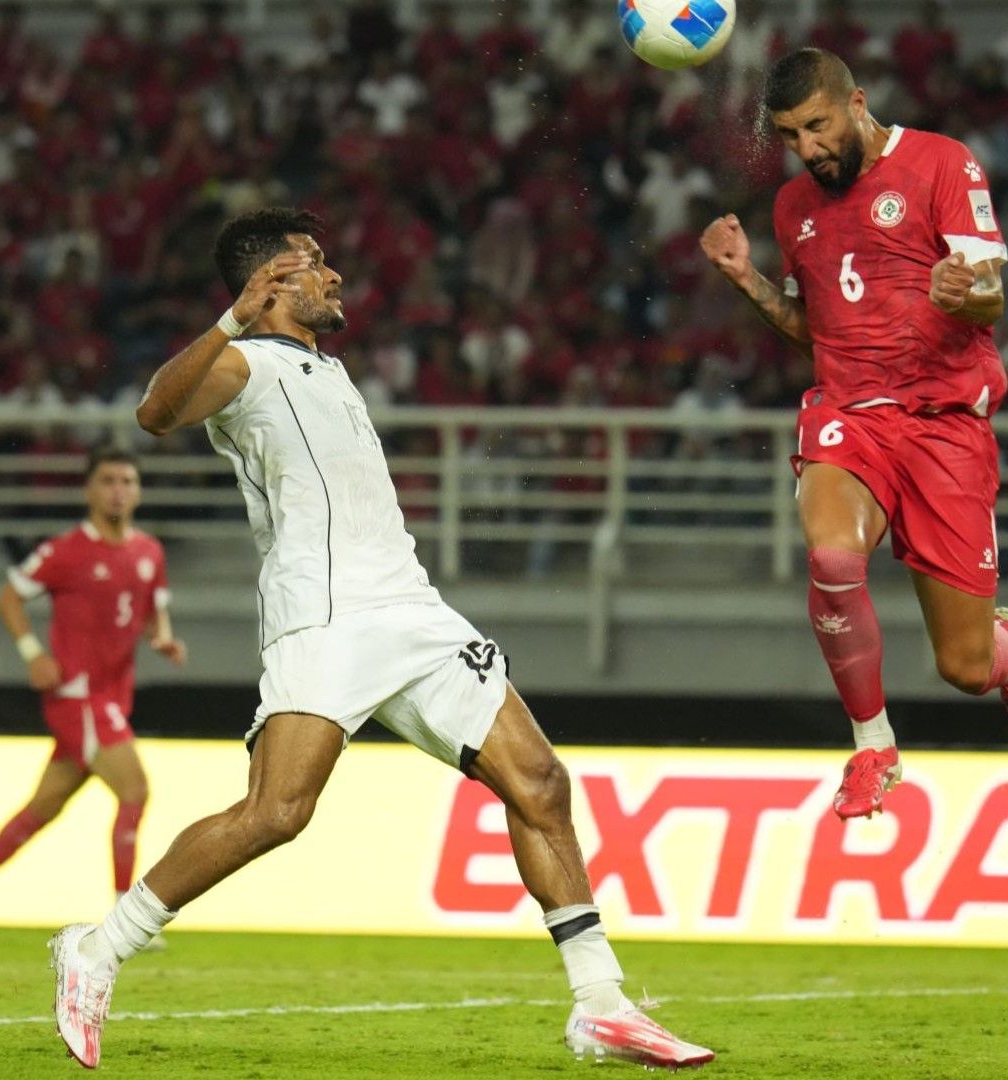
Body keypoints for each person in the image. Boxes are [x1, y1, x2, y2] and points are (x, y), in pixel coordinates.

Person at [46, 207, 714, 1071]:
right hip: (323, 614)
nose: (333, 275)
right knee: (276, 812)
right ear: (273, 282)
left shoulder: (329, 369)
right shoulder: (243, 363)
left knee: (541, 780)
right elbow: (153, 414)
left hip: (412, 609)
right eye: (313, 263)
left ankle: (600, 1002)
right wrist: (228, 320)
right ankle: (98, 948)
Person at [700, 49, 1008, 820]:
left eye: (819, 126)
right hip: (851, 415)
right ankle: (873, 744)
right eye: (793, 136)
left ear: (856, 102)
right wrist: (747, 279)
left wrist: (967, 292)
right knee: (830, 551)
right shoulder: (793, 207)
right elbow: (816, 334)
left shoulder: (941, 164)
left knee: (964, 666)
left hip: (944, 425)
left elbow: (989, 295)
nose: (811, 148)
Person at [0, 448, 186, 946]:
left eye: (128, 481)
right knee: (135, 790)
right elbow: (9, 597)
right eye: (109, 480)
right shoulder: (65, 551)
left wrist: (162, 638)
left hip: (113, 697)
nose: (119, 490)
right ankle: (126, 914)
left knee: (44, 806)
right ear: (90, 491)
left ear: (137, 491)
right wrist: (33, 652)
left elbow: (152, 612)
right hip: (76, 695)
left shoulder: (148, 553)